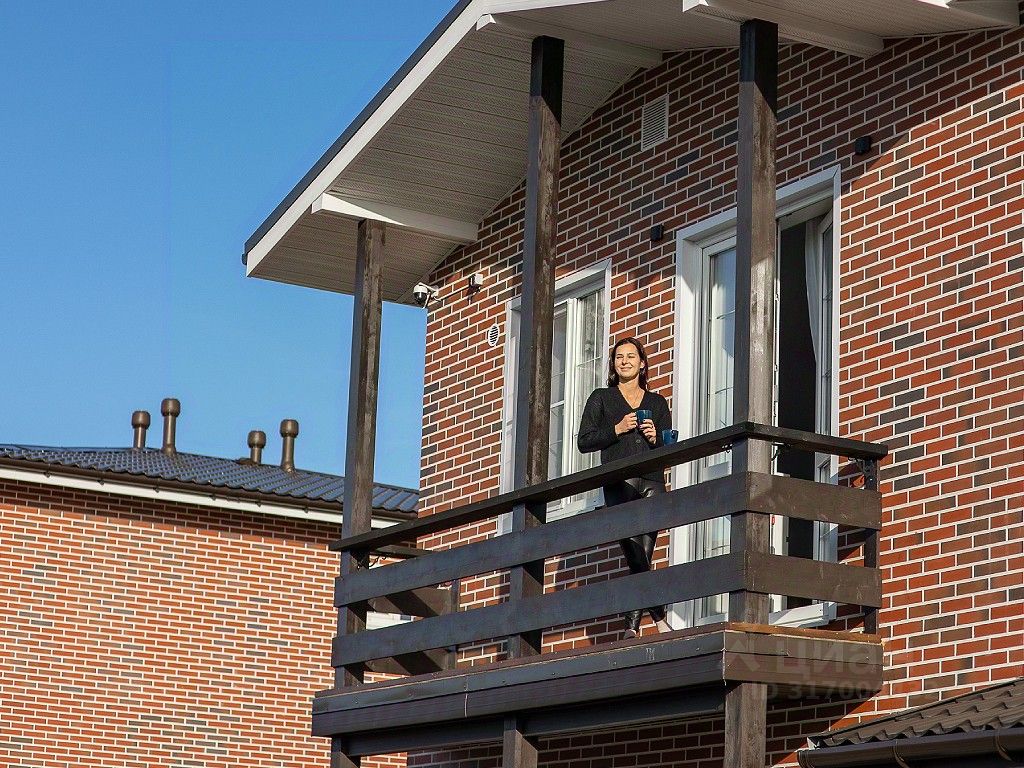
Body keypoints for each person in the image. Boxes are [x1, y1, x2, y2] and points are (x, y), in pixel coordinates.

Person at [577, 336, 672, 639]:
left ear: (642, 363)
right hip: (619, 482)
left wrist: (656, 438)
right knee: (634, 551)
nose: (625, 361)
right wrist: (617, 429)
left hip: (653, 481)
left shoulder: (657, 403)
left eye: (631, 356)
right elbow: (584, 441)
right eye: (619, 357)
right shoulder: (602, 398)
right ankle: (658, 618)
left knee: (643, 555)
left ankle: (632, 627)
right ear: (613, 364)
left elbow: (670, 446)